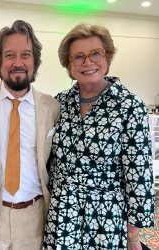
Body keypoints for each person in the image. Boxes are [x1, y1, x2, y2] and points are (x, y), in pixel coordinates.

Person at [43, 23, 155, 250]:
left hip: (106, 217)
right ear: (68, 64)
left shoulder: (129, 106)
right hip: (62, 213)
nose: (88, 62)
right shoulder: (59, 103)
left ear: (107, 57)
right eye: (78, 57)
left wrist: (133, 237)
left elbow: (139, 176)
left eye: (96, 53)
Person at [0, 20, 60, 250]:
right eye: (9, 55)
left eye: (25, 55)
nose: (17, 62)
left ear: (35, 61)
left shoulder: (52, 107)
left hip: (35, 217)